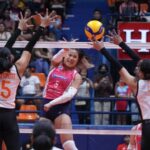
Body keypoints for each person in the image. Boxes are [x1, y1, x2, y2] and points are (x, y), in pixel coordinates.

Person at [0, 10, 56, 150]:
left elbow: (5, 51)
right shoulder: (18, 68)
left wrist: (18, 30)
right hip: (8, 115)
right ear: (11, 58)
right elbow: (29, 46)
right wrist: (42, 26)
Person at [92, 34, 150, 149]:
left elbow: (119, 67)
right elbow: (141, 62)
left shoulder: (137, 84)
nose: (136, 69)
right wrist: (121, 44)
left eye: (139, 69)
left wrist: (102, 49)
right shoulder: (140, 80)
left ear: (142, 73)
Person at [43, 47, 84, 150]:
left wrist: (51, 103)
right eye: (70, 55)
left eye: (75, 57)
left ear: (78, 60)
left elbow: (69, 96)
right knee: (42, 142)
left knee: (68, 144)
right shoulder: (55, 65)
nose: (71, 58)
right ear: (65, 56)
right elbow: (56, 58)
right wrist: (65, 49)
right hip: (45, 107)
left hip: (61, 109)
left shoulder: (77, 76)